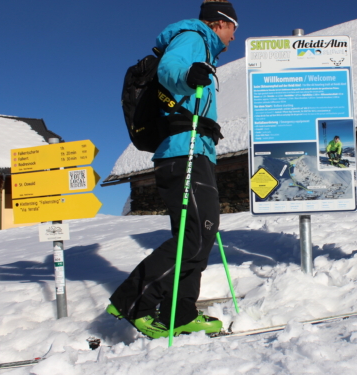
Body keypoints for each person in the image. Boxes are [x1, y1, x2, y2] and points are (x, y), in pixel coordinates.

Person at [107, 0, 237, 339]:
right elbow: (170, 69)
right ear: (220, 23)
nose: (234, 37)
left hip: (195, 152)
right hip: (183, 153)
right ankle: (134, 302)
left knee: (199, 235)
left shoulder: (205, 49)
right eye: (233, 28)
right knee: (197, 234)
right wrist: (186, 75)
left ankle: (179, 313)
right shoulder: (194, 36)